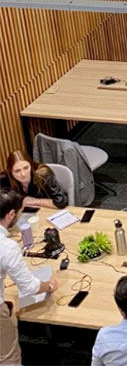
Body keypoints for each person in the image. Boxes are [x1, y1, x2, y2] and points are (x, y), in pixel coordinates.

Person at [0, 188, 58, 364]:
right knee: (8, 359)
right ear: (11, 214)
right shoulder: (7, 247)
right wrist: (49, 286)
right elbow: (29, 287)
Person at [3, 150, 68, 209]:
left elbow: (61, 202)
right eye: (17, 171)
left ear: (31, 166)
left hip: (48, 212)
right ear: (10, 172)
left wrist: (33, 201)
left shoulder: (44, 174)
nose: (23, 174)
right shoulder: (5, 179)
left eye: (26, 168)